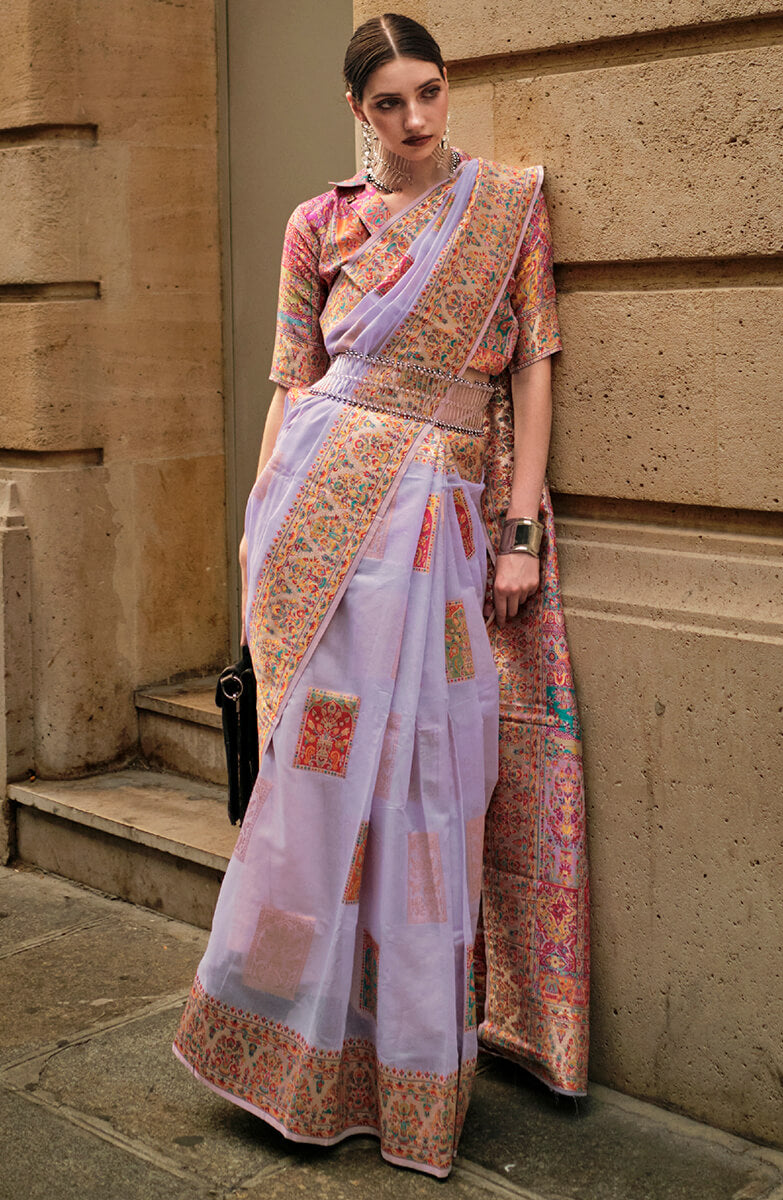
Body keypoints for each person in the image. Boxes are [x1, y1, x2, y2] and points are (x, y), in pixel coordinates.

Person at [174, 12, 589, 1178]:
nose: (414, 119)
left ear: (447, 89)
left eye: (429, 92)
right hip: (321, 516)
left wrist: (520, 532)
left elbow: (535, 367)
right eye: (389, 102)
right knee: (312, 781)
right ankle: (281, 1040)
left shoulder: (504, 206)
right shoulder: (319, 222)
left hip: (443, 525)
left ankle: (406, 1060)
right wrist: (256, 532)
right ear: (357, 111)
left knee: (429, 784)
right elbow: (291, 383)